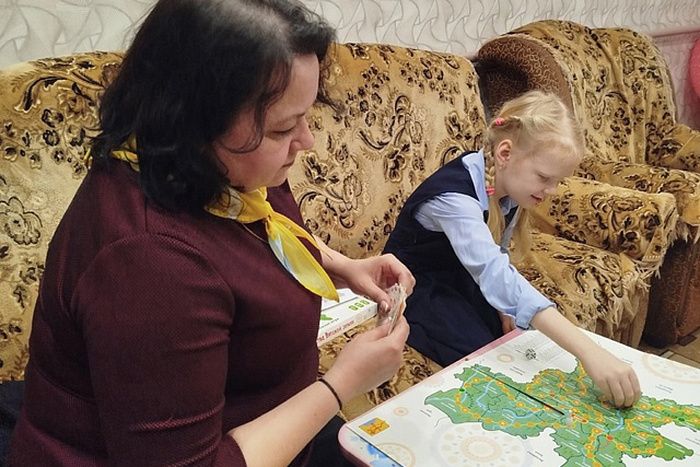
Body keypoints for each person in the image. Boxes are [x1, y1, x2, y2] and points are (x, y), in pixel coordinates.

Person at [8, 0, 415, 465]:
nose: (306, 141)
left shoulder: (221, 173)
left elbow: (257, 238)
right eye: (284, 128)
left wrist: (342, 266)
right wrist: (341, 384)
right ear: (195, 121)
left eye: (307, 116)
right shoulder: (151, 265)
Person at [383, 90, 641, 409]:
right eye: (545, 178)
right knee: (488, 362)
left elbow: (497, 250)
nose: (551, 191)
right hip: (414, 287)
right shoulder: (454, 199)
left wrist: (504, 309)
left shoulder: (508, 183)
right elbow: (494, 272)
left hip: (460, 276)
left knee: (514, 341)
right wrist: (589, 351)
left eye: (558, 181)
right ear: (505, 153)